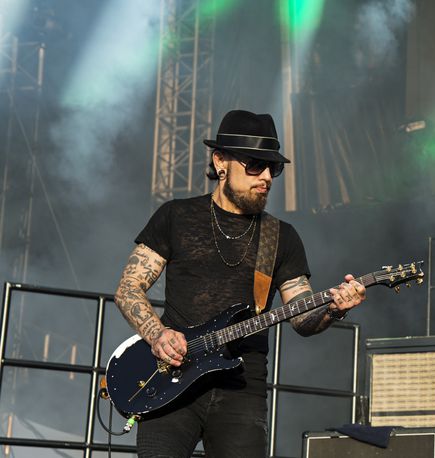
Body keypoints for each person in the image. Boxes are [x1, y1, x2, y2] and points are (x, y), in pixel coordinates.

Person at [113, 109, 366, 457]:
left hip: (241, 389)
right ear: (221, 162)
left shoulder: (282, 237)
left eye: (272, 168)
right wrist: (157, 334)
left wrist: (333, 310)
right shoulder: (177, 216)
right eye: (253, 165)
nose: (265, 177)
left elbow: (301, 318)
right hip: (172, 376)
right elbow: (128, 288)